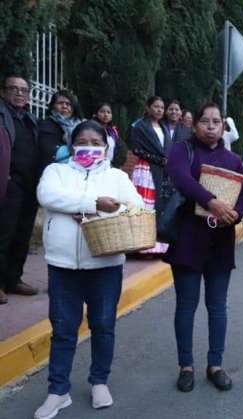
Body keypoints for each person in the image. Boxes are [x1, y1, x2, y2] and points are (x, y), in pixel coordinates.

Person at [34, 120, 143, 419]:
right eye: (83, 141)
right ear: (72, 146)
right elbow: (48, 196)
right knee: (63, 329)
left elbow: (134, 206)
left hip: (105, 264)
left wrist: (89, 210)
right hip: (63, 265)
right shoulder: (56, 171)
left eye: (97, 143)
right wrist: (93, 204)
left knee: (103, 326)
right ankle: (58, 391)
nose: (90, 147)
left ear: (107, 147)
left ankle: (99, 381)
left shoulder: (117, 177)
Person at [165, 102, 243, 393]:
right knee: (186, 306)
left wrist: (234, 213)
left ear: (223, 127)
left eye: (217, 122)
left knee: (217, 306)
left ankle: (216, 365)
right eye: (205, 121)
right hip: (189, 238)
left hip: (220, 239)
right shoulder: (182, 151)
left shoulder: (233, 159)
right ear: (195, 125)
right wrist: (212, 202)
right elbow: (182, 179)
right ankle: (185, 366)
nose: (212, 126)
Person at [0, 75, 40, 304]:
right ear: (3, 91)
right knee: (3, 234)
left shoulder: (31, 119)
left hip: (29, 185)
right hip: (8, 183)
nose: (19, 93)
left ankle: (14, 279)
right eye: (13, 89)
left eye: (24, 90)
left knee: (22, 234)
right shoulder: (2, 116)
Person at [129, 95, 171, 255]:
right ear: (148, 108)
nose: (159, 110)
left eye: (162, 107)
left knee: (159, 206)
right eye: (156, 106)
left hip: (162, 170)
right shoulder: (139, 126)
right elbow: (137, 149)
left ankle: (157, 245)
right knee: (144, 206)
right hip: (146, 170)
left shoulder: (165, 127)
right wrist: (158, 159)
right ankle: (141, 245)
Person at [38, 90, 83, 166]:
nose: (64, 106)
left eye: (68, 104)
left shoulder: (80, 126)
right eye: (60, 103)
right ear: (53, 106)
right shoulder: (45, 125)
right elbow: (47, 151)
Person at [92, 102, 128, 167]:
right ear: (96, 114)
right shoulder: (91, 129)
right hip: (95, 165)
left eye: (108, 112)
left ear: (111, 116)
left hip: (111, 165)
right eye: (102, 111)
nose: (106, 114)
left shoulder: (113, 132)